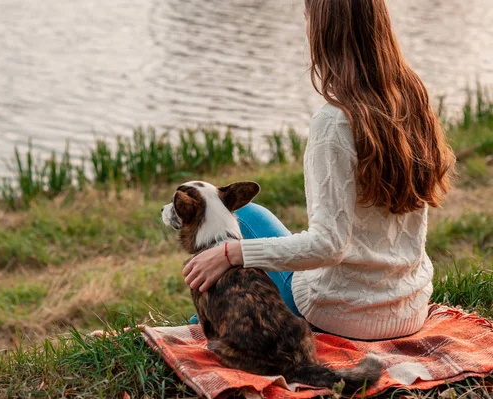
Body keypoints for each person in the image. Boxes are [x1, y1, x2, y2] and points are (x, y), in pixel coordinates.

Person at [182, 0, 456, 340]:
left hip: (343, 316)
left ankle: (200, 325)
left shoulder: (334, 122)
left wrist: (233, 253)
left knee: (245, 215)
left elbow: (328, 246)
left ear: (324, 31)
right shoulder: (411, 94)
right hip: (409, 307)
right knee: (258, 222)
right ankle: (202, 320)